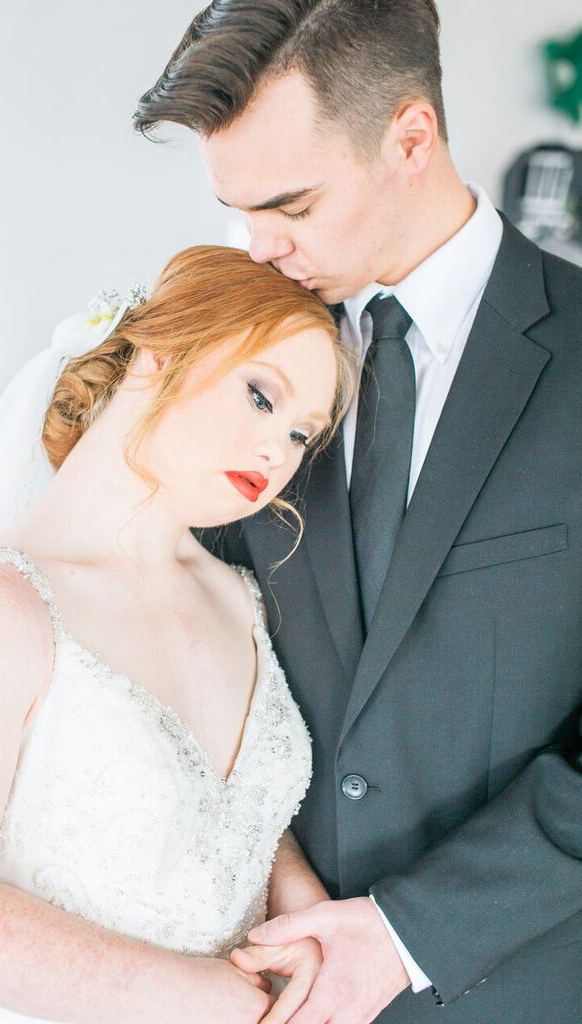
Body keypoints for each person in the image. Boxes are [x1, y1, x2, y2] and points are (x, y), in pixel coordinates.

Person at [134, 2, 582, 1022]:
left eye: (290, 206)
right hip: (252, 980)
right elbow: (179, 634)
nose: (259, 252)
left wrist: (407, 930)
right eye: (239, 214)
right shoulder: (239, 371)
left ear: (409, 138)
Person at [0, 244, 353, 1023]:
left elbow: (224, 815)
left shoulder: (240, 599)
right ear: (157, 354)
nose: (278, 452)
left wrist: (300, 904)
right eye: (260, 396)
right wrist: (194, 997)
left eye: (303, 435)